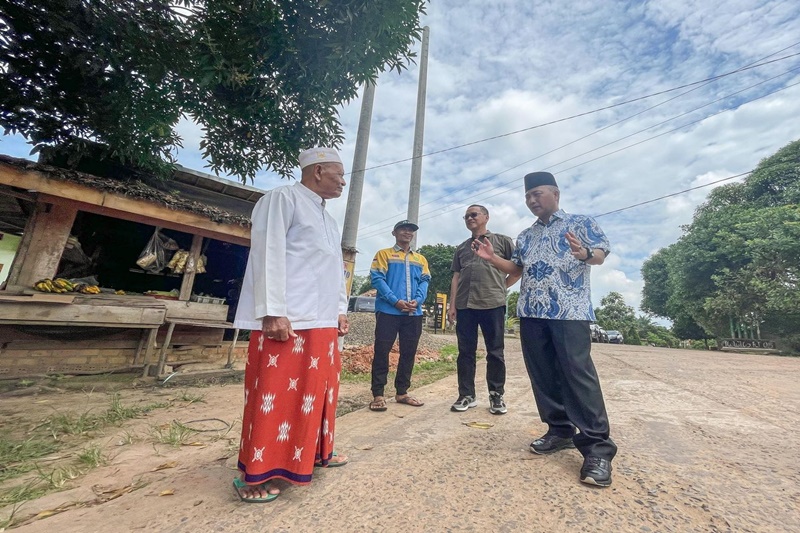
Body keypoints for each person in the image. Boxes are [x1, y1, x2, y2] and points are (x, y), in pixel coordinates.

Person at [473, 171, 617, 487]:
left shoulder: (581, 223)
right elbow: (517, 268)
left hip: (569, 312)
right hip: (531, 313)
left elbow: (600, 255)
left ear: (555, 193)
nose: (531, 200)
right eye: (528, 196)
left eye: (537, 193)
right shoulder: (526, 235)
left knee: (577, 376)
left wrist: (585, 254)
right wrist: (492, 258)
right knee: (543, 374)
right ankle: (560, 430)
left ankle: (597, 449)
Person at [232, 147, 350, 503]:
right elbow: (266, 253)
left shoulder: (329, 219)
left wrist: (340, 308)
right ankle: (258, 473)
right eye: (339, 175)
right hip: (289, 319)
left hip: (323, 322)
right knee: (275, 397)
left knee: (317, 394)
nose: (343, 182)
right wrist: (271, 310)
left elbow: (334, 268)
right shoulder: (282, 199)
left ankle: (313, 455)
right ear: (318, 171)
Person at [447, 205, 519, 414]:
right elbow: (456, 277)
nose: (469, 218)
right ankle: (466, 395)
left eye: (474, 214)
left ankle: (496, 396)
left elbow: (517, 269)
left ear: (486, 217)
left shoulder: (502, 241)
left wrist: (502, 287)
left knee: (495, 352)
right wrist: (452, 304)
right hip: (465, 305)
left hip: (492, 303)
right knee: (465, 353)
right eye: (466, 216)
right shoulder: (462, 248)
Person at [368, 220, 431, 412]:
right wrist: (394, 301)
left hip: (413, 313)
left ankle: (402, 392)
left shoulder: (420, 259)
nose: (407, 232)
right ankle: (378, 394)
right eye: (403, 229)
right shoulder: (384, 254)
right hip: (388, 311)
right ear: (394, 233)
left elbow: (425, 282)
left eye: (411, 230)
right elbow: (377, 279)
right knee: (382, 351)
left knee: (408, 352)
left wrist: (418, 301)